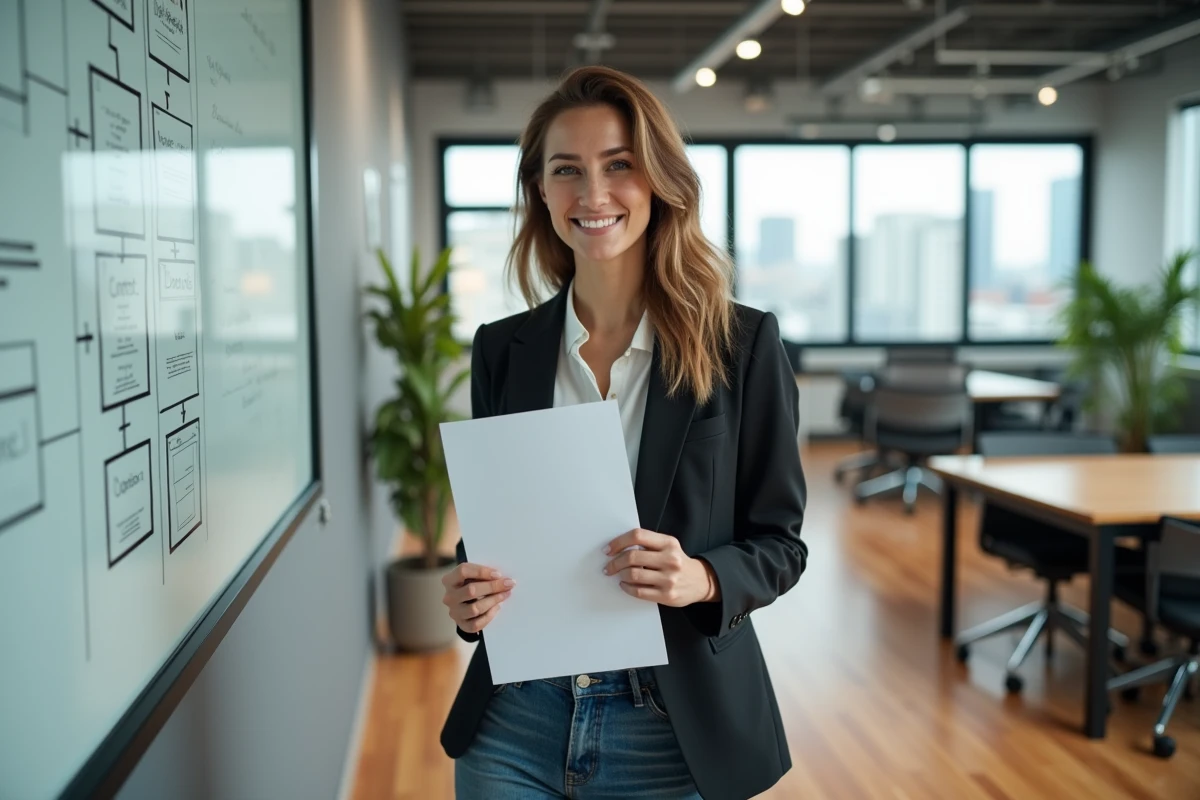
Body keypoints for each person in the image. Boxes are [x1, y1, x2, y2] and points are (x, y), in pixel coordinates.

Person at [439, 65, 808, 800]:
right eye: (566, 170)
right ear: (541, 192)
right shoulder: (500, 350)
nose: (593, 194)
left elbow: (780, 544)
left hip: (671, 729)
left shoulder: (742, 345)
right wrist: (470, 591)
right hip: (517, 719)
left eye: (619, 166)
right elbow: (500, 527)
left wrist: (700, 577)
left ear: (659, 183)